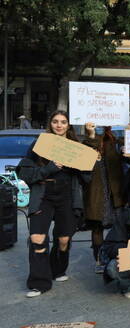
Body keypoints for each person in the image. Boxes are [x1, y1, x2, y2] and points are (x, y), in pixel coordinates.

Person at [17, 110, 91, 298]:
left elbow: (87, 178)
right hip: (43, 196)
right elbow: (25, 174)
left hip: (67, 197)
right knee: (37, 238)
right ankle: (39, 282)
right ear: (50, 124)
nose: (59, 125)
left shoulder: (76, 147)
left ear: (69, 125)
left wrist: (85, 164)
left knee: (64, 239)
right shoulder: (39, 145)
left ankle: (57, 270)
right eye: (55, 121)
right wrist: (49, 169)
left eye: (63, 122)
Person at [83, 123, 126, 274]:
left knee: (119, 227)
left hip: (115, 192)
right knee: (97, 227)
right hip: (96, 192)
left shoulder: (116, 141)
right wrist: (92, 135)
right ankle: (99, 259)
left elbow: (129, 159)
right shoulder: (86, 141)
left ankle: (119, 258)